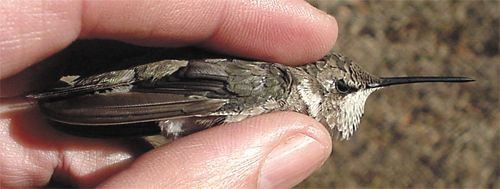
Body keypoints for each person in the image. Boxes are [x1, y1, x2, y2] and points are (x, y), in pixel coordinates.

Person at [0, 1, 338, 188]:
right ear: (320, 85)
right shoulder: (275, 83)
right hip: (165, 87)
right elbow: (191, 94)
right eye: (343, 88)